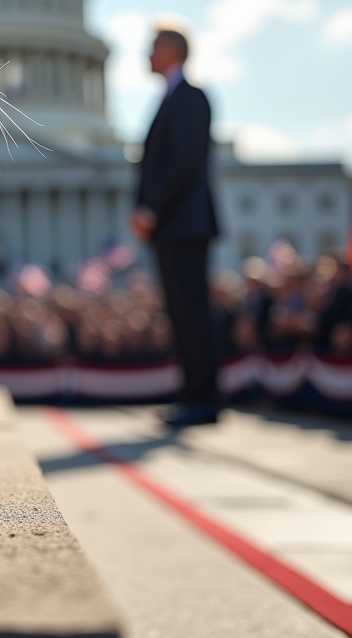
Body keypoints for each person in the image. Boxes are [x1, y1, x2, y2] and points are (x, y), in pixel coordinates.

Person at [129, 26, 220, 427]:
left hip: (184, 225)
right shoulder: (169, 99)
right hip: (173, 226)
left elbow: (184, 162)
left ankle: (205, 399)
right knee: (181, 315)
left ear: (170, 51)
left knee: (193, 313)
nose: (147, 56)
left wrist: (151, 209)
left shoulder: (191, 98)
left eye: (152, 49)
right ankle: (192, 396)